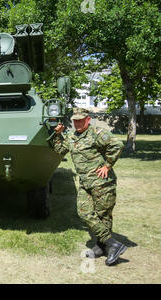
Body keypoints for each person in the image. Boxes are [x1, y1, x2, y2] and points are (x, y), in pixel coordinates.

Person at [49, 108, 127, 266]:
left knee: (103, 215)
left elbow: (117, 145)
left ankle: (103, 246)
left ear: (88, 119)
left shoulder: (97, 133)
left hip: (102, 183)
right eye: (75, 120)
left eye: (80, 120)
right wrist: (57, 134)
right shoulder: (71, 136)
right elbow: (59, 150)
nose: (77, 123)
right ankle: (112, 243)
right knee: (84, 212)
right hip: (85, 183)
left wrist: (107, 165)